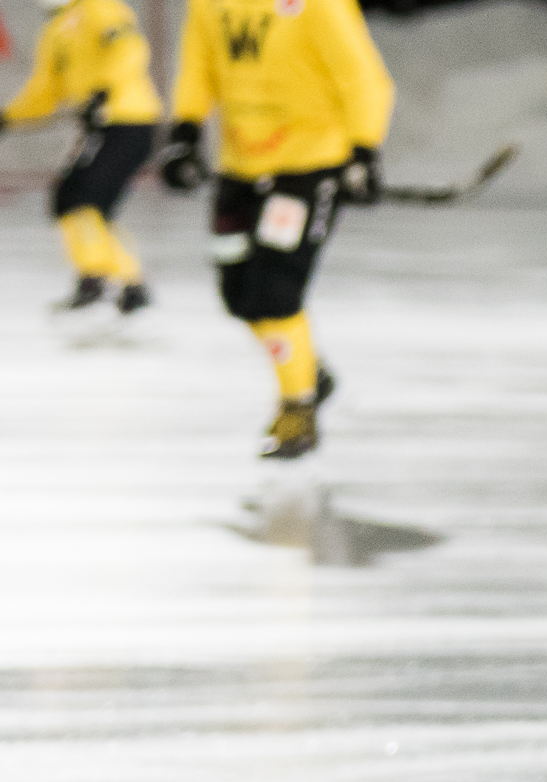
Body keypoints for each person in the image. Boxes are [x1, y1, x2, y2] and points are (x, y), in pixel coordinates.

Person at [158, 0, 391, 459]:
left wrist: (364, 150)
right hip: (240, 167)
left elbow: (362, 76)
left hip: (308, 166)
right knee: (238, 293)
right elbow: (199, 66)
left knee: (276, 290)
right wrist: (185, 133)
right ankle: (307, 370)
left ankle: (297, 411)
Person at [0, 0, 162, 314]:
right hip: (101, 126)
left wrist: (103, 91)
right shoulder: (54, 30)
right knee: (71, 199)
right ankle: (109, 279)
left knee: (86, 199)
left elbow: (130, 48)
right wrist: (8, 117)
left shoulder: (97, 8)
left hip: (128, 121)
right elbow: (45, 91)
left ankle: (114, 280)